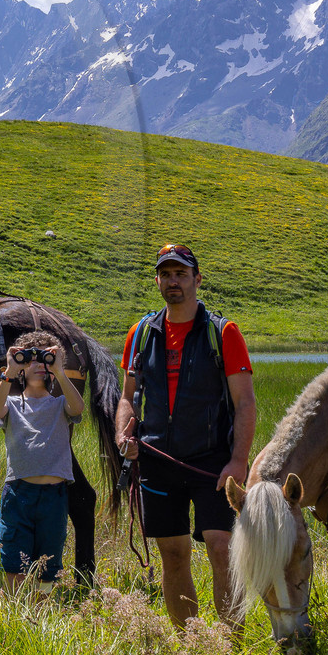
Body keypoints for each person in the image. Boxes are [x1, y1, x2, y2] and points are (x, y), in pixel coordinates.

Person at [115, 243, 257, 628]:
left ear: (197, 279)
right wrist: (123, 435)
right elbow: (127, 398)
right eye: (166, 274)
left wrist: (238, 461)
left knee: (221, 549)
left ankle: (232, 645)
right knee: (173, 555)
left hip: (213, 461)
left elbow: (245, 402)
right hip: (158, 461)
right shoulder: (141, 334)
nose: (173, 281)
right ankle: (190, 644)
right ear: (157, 281)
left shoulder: (222, 332)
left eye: (181, 274)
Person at [0, 331, 84, 594]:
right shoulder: (11, 403)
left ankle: (40, 611)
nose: (39, 364)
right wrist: (10, 370)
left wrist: (60, 371)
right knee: (13, 562)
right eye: (31, 358)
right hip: (19, 493)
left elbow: (78, 408)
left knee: (48, 565)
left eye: (44, 358)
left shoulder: (60, 403)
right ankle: (14, 611)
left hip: (54, 495)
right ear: (22, 366)